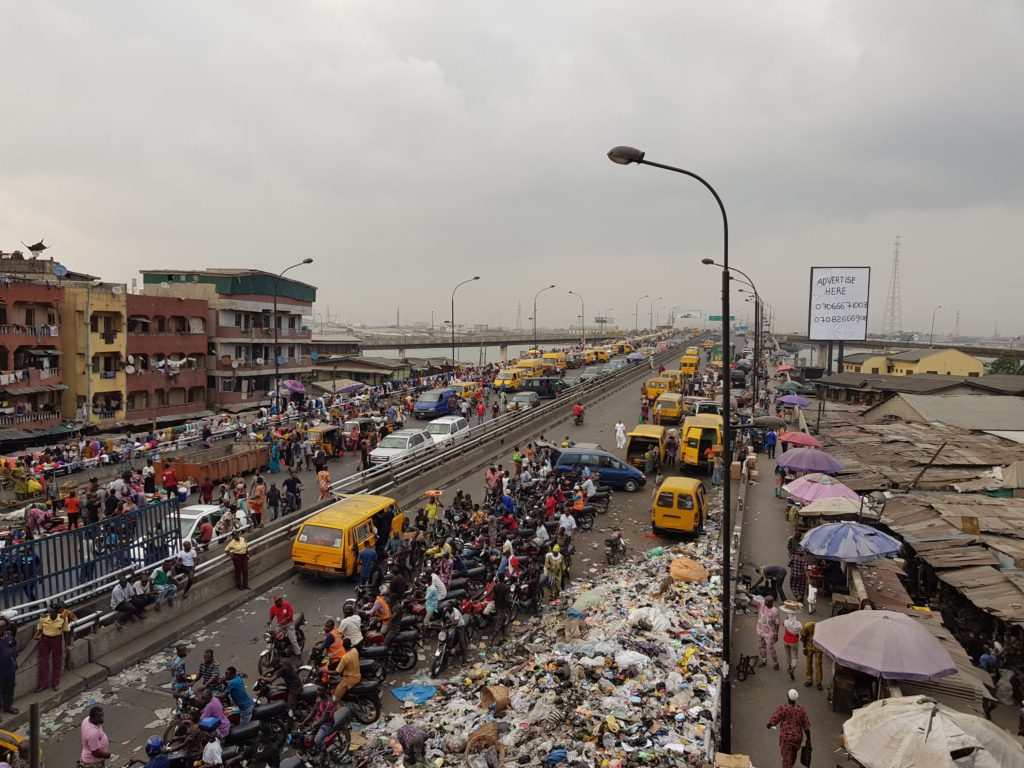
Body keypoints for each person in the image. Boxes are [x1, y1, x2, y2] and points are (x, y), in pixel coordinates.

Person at [766, 689, 811, 768]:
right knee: (792, 757)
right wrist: (808, 738)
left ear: (788, 697)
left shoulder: (783, 708)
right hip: (797, 738)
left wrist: (769, 725)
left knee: (787, 761)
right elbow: (806, 726)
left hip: (786, 739)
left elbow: (774, 720)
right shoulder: (801, 710)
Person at [33, 602, 69, 691]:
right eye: (49, 611)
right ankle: (43, 684)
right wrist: (36, 635)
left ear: (56, 612)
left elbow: (66, 632)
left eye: (52, 612)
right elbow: (40, 629)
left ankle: (55, 683)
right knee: (43, 662)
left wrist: (67, 645)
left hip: (57, 639)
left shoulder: (63, 619)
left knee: (57, 661)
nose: (50, 613)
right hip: (45, 639)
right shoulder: (43, 618)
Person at [302, 682, 337, 748]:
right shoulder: (319, 698)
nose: (318, 692)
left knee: (317, 741)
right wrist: (303, 722)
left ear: (325, 691)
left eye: (320, 691)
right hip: (317, 722)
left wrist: (310, 727)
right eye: (318, 690)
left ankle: (326, 753)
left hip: (327, 724)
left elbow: (323, 718)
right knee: (306, 737)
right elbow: (313, 711)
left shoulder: (329, 702)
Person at [754, 594, 781, 670]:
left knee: (771, 648)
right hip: (760, 631)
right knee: (762, 647)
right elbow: (752, 599)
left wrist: (776, 634)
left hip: (769, 634)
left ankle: (776, 663)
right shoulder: (761, 605)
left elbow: (777, 623)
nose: (765, 602)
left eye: (767, 601)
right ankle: (763, 660)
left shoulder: (775, 611)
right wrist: (745, 592)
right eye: (765, 600)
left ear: (771, 602)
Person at [332, 638, 361, 704]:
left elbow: (337, 672)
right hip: (357, 675)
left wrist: (325, 671)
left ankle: (337, 707)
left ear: (343, 646)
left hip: (349, 680)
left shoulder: (344, 658)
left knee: (335, 698)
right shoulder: (354, 650)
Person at [782, 609, 802, 681]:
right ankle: (792, 670)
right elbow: (800, 633)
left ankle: (789, 667)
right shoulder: (798, 624)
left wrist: (786, 619)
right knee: (794, 656)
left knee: (788, 654)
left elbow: (783, 625)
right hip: (794, 642)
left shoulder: (785, 622)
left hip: (786, 640)